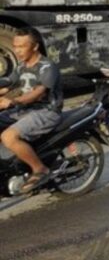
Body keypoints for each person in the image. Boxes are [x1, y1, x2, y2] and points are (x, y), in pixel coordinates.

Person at [0, 29, 63, 194]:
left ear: (34, 47)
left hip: (46, 111)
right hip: (24, 110)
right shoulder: (22, 66)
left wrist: (12, 101)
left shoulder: (47, 67)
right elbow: (8, 84)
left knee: (8, 137)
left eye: (22, 46)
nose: (17, 50)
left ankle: (40, 168)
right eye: (15, 46)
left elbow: (38, 93)